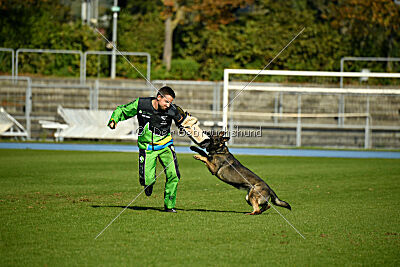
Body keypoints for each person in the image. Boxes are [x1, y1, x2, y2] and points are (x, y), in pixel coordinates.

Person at [108, 86, 207, 213]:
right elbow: (122, 110)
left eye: (170, 102)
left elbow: (187, 124)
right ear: (158, 97)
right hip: (147, 147)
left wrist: (204, 141)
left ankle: (169, 205)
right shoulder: (141, 104)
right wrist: (114, 120)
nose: (168, 105)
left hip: (166, 145)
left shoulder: (173, 110)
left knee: (174, 175)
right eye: (166, 101)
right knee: (148, 180)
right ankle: (148, 183)